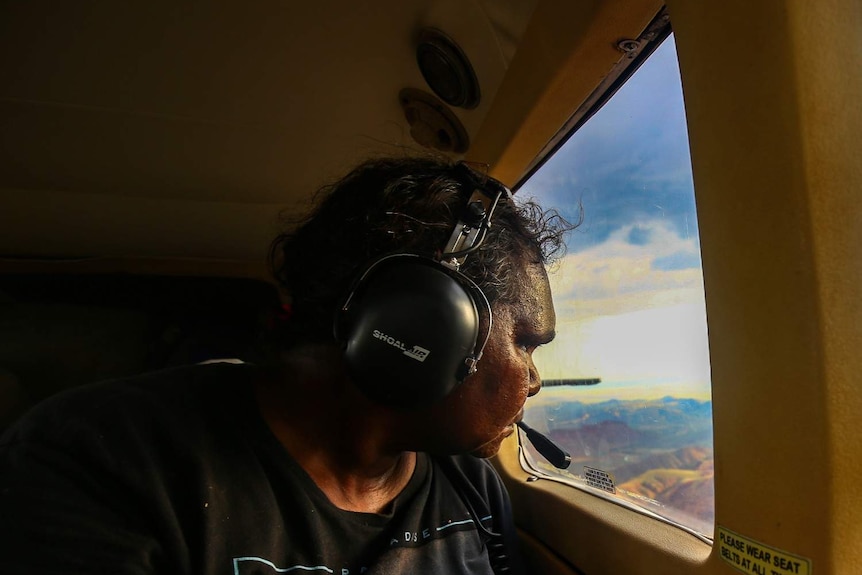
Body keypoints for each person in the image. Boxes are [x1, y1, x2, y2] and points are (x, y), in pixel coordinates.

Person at [0, 157, 570, 574]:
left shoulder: (472, 488)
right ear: (425, 324)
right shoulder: (100, 460)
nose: (534, 379)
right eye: (527, 343)